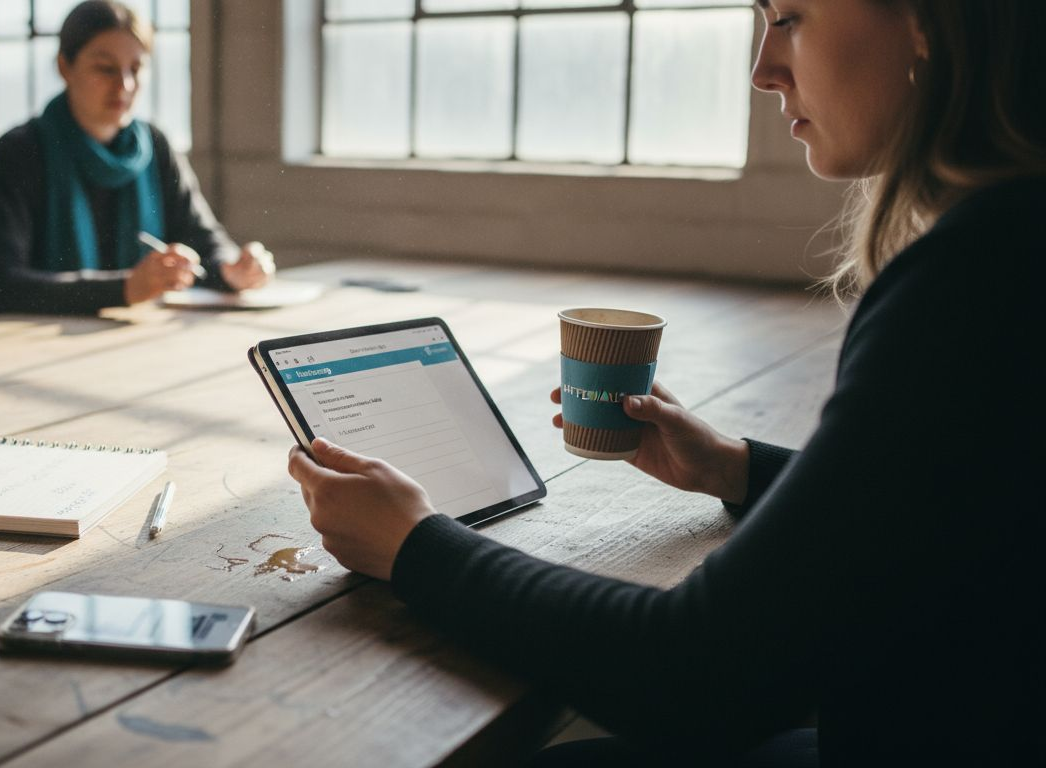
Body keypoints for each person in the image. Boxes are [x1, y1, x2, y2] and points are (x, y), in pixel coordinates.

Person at [287, 1, 1045, 765]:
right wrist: (738, 467)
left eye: (788, 17)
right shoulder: (1011, 240)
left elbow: (693, 676)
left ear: (925, 22)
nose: (762, 70)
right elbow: (942, 513)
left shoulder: (977, 276)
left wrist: (415, 547)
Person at [0, 0, 272, 316]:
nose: (124, 85)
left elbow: (205, 242)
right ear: (64, 67)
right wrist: (124, 288)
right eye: (105, 69)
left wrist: (233, 270)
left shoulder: (155, 145)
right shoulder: (19, 151)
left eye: (136, 69)